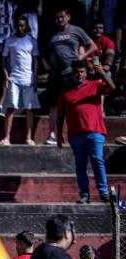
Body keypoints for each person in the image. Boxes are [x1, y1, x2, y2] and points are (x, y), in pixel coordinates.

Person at [58, 60, 114, 204]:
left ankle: (104, 192)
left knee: (97, 160)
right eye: (76, 72)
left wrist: (102, 73)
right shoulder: (65, 93)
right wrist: (58, 135)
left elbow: (112, 88)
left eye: (82, 71)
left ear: (87, 73)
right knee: (80, 165)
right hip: (76, 135)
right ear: (72, 74)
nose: (79, 74)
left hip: (95, 131)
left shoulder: (95, 86)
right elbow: (60, 116)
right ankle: (84, 195)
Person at [44, 7, 97, 146]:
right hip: (55, 74)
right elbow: (45, 52)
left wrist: (82, 56)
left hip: (71, 73)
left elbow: (93, 46)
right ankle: (51, 134)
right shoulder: (51, 33)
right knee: (53, 105)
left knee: (72, 104)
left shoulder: (76, 30)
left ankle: (73, 133)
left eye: (62, 17)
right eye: (57, 18)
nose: (59, 20)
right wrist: (48, 66)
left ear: (68, 17)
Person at [0, 16, 39, 146]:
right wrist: (6, 76)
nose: (20, 28)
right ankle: (6, 137)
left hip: (29, 78)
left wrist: (35, 77)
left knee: (29, 108)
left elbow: (36, 60)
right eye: (18, 26)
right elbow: (3, 60)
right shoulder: (9, 41)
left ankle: (28, 137)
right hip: (14, 78)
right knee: (10, 107)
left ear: (26, 27)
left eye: (22, 26)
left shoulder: (32, 41)